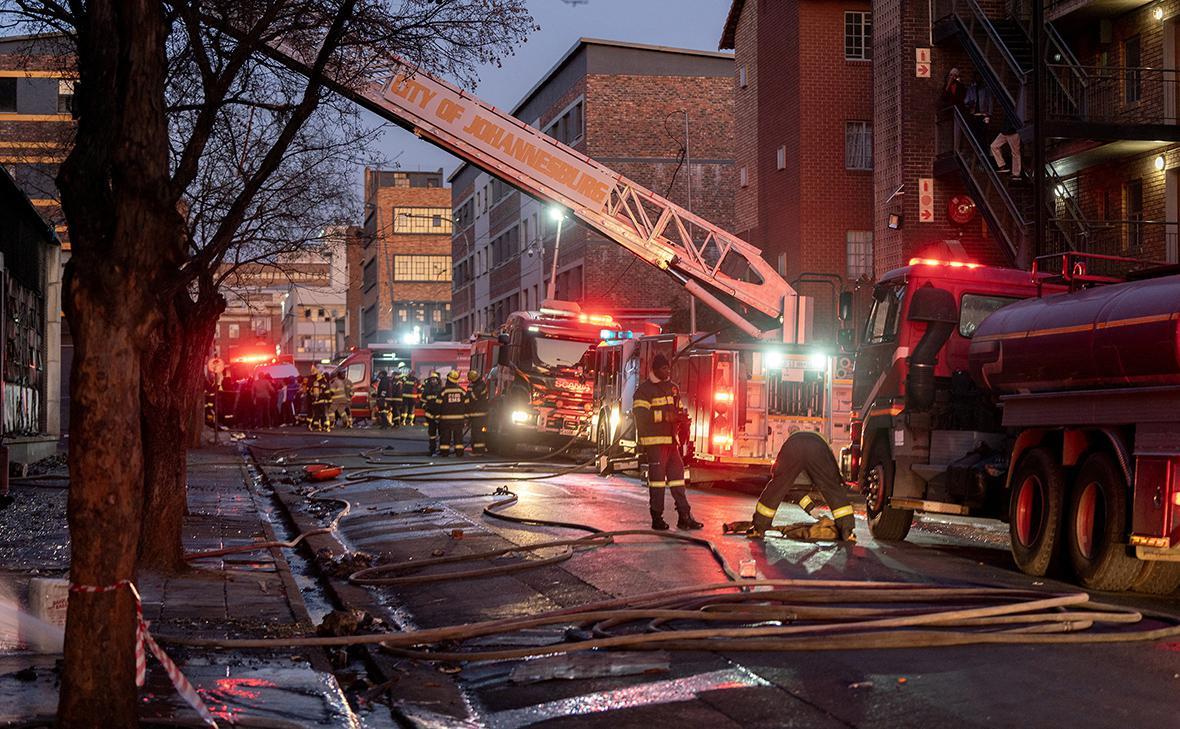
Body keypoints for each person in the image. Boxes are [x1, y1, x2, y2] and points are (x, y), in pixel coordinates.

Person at [633, 353, 702, 531]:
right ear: (655, 369)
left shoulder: (673, 388)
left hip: (672, 443)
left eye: (668, 368)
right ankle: (657, 518)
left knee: (678, 479)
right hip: (655, 443)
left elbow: (677, 409)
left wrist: (682, 419)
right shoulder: (644, 391)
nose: (667, 371)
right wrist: (665, 416)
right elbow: (641, 417)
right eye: (664, 368)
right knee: (657, 482)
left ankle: (684, 516)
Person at [746, 431, 856, 542]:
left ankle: (758, 529)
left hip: (793, 445)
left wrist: (813, 511)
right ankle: (847, 532)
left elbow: (796, 492)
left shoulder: (795, 478)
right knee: (832, 488)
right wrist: (813, 511)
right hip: (817, 446)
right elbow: (834, 481)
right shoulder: (815, 468)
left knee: (777, 486)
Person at [437, 370, 467, 456]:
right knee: (458, 437)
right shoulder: (461, 391)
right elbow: (468, 403)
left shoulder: (443, 391)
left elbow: (438, 404)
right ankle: (459, 453)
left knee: (445, 437)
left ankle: (444, 452)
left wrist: (437, 416)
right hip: (459, 419)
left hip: (445, 419)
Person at [465, 369, 489, 455]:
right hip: (476, 413)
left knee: (478, 433)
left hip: (479, 414)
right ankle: (476, 450)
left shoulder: (480, 386)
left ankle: (479, 451)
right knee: (475, 433)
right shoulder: (477, 384)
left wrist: (469, 391)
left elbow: (473, 397)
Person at [421, 371, 443, 455]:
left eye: (435, 379)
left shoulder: (441, 390)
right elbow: (422, 401)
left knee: (442, 434)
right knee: (432, 434)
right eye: (432, 380)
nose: (433, 381)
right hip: (430, 415)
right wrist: (425, 407)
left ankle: (442, 450)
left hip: (439, 416)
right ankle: (432, 450)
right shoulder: (426, 390)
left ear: (438, 380)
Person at [964, 78, 992, 143]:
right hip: (973, 114)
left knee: (984, 133)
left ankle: (983, 149)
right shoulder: (971, 89)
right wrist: (969, 103)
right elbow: (966, 101)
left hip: (983, 114)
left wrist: (989, 114)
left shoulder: (986, 89)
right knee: (974, 133)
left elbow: (990, 102)